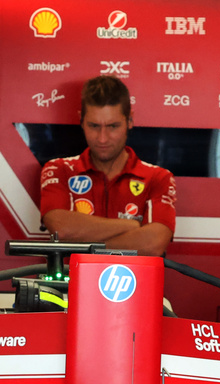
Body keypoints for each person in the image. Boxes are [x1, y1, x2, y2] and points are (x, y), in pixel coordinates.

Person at [38, 75, 175, 257]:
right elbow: (61, 229)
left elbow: (153, 244)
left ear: (130, 120)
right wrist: (132, 225)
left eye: (113, 126)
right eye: (94, 126)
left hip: (132, 277)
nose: (102, 138)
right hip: (71, 277)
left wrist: (83, 247)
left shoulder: (158, 177)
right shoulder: (59, 170)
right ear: (81, 120)